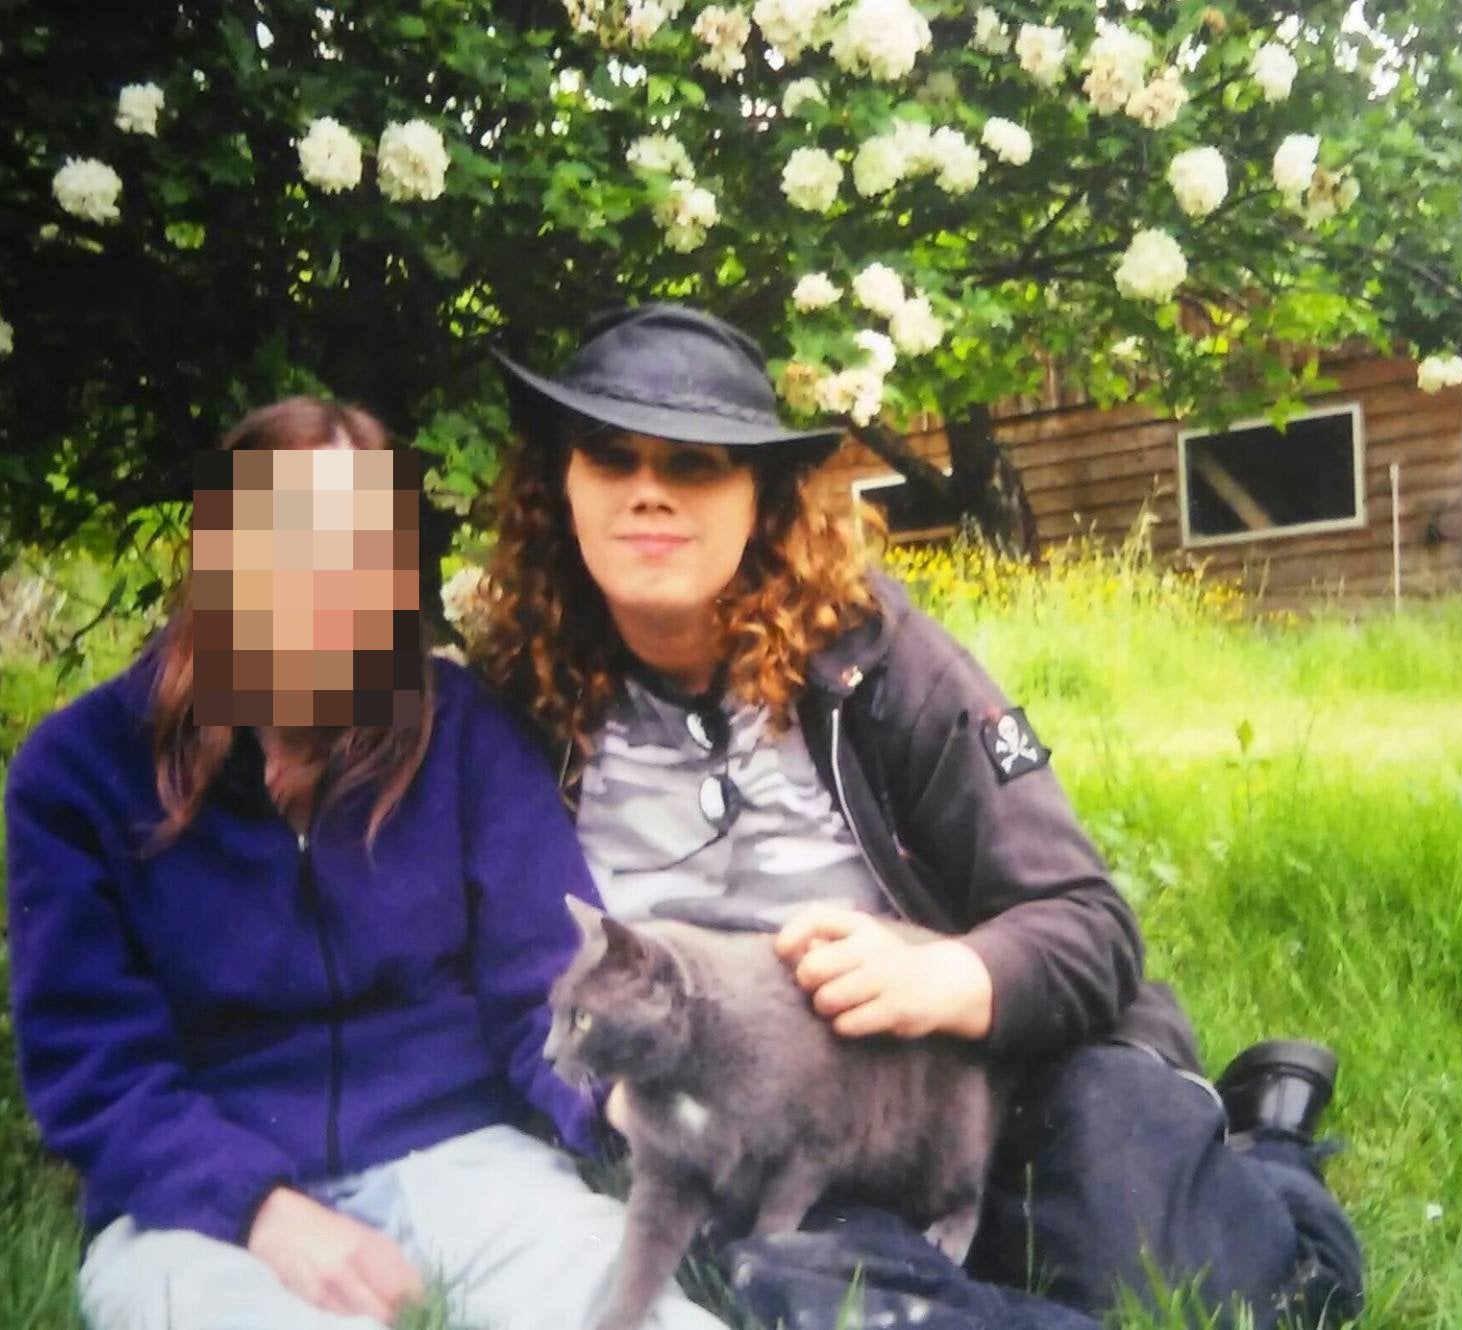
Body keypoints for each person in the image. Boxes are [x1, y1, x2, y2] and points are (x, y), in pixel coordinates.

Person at [479, 305, 1366, 1329]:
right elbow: (507, 986)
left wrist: (946, 973)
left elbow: (1088, 922)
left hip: (979, 1087)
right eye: (610, 456)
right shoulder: (519, 707)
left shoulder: (870, 656)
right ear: (563, 484)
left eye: (693, 464)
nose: (647, 491)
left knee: (1212, 1293)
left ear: (759, 495)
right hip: (769, 1139)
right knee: (801, 1291)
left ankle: (1275, 1146)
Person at [4, 398, 723, 1330]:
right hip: (200, 1210)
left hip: (462, 1160)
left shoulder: (457, 729)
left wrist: (623, 1099)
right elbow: (94, 1066)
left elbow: (543, 980)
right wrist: (259, 1208)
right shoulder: (80, 770)